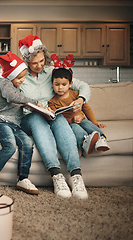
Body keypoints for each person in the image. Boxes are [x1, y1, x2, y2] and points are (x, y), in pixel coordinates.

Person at [18, 34, 91, 199]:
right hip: (31, 117)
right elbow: (12, 99)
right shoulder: (20, 77)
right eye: (34, 63)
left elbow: (83, 86)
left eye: (42, 61)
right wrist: (32, 105)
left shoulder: (52, 72)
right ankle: (56, 175)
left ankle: (76, 175)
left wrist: (80, 99)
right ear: (26, 62)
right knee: (38, 120)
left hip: (52, 113)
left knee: (61, 121)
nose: (39, 65)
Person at [0, 52, 41, 195]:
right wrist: (33, 102)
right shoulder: (5, 82)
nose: (22, 80)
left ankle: (22, 179)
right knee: (9, 147)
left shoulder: (16, 85)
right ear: (10, 75)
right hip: (2, 122)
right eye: (19, 77)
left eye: (23, 77)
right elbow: (12, 97)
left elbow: (20, 101)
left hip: (15, 125)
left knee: (28, 143)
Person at [48, 54, 110, 156]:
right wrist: (72, 120)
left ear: (70, 84)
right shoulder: (52, 102)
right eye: (57, 84)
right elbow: (57, 119)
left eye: (64, 84)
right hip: (70, 124)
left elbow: (87, 109)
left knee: (86, 124)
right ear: (52, 84)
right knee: (75, 128)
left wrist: (95, 123)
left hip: (82, 120)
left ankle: (101, 138)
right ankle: (85, 142)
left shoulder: (76, 95)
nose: (60, 88)